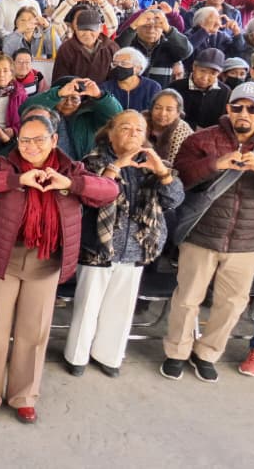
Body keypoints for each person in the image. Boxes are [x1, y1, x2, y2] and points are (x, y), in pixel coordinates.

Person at [0, 113, 117, 423]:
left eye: (39, 140)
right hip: (2, 259)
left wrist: (71, 184)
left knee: (33, 334)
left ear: (54, 141)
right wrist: (17, 180)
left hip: (46, 261)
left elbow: (108, 191)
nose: (31, 146)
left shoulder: (70, 169)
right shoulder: (5, 165)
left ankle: (24, 395)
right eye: (24, 140)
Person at [67, 112, 183, 377]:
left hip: (137, 248)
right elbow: (90, 196)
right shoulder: (93, 161)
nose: (133, 133)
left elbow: (173, 201)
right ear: (110, 132)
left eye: (139, 129)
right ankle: (77, 357)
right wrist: (117, 165)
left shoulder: (154, 164)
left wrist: (163, 173)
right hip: (97, 247)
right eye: (125, 127)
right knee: (87, 307)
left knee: (121, 308)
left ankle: (108, 356)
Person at [162, 82, 254, 382]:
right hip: (201, 234)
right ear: (228, 109)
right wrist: (216, 164)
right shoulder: (203, 139)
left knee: (232, 305)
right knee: (187, 298)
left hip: (247, 241)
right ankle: (176, 352)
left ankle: (207, 353)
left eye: (253, 108)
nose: (244, 113)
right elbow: (181, 179)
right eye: (238, 106)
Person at [21, 76, 122, 159]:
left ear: (82, 101)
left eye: (74, 99)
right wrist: (57, 93)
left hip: (84, 169)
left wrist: (100, 95)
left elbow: (117, 117)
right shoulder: (46, 114)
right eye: (64, 98)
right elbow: (26, 110)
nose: (68, 103)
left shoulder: (90, 116)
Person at [169, 48, 230, 130]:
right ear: (194, 66)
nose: (205, 77)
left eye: (213, 73)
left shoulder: (225, 92)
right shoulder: (175, 87)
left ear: (219, 73)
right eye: (202, 71)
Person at [53, 10, 119, 84]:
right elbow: (59, 81)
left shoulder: (111, 48)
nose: (87, 34)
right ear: (75, 28)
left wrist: (101, 94)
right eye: (83, 30)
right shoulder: (66, 49)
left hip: (104, 94)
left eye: (92, 30)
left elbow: (117, 80)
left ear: (100, 29)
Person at [146, 89, 193, 164]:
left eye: (169, 109)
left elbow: (172, 165)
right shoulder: (141, 121)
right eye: (158, 108)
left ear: (178, 113)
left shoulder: (181, 132)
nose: (162, 113)